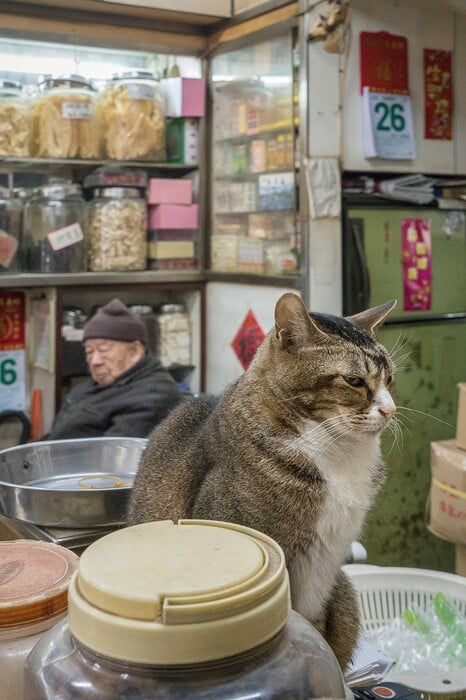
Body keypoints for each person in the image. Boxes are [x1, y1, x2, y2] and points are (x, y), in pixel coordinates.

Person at [44, 299, 183, 440]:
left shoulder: (153, 396)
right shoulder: (98, 385)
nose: (95, 361)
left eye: (103, 350)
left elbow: (114, 456)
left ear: (135, 351)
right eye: (89, 351)